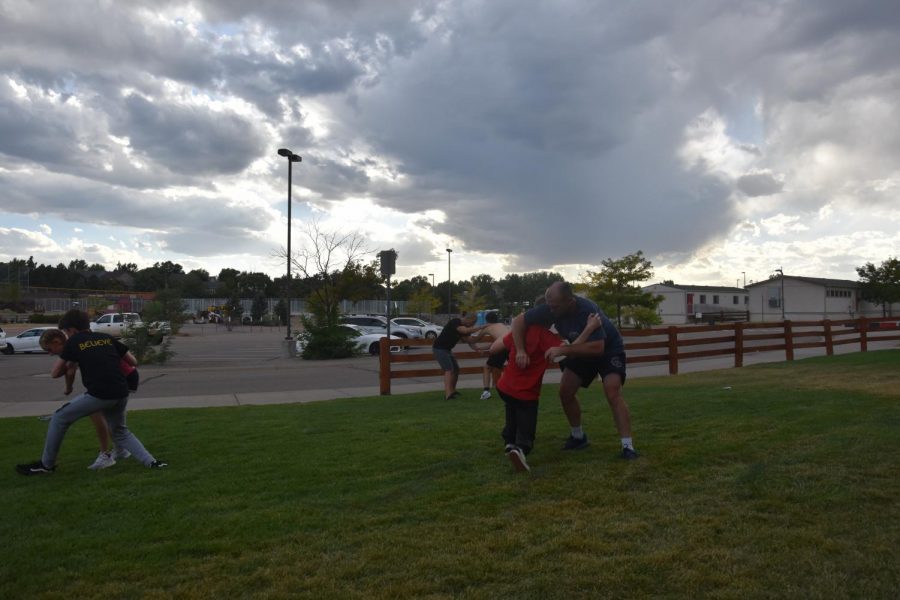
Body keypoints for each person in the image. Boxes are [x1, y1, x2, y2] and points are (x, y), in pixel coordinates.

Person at [16, 309, 166, 475]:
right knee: (120, 431)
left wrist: (70, 373)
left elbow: (55, 373)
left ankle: (46, 466)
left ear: (72, 330)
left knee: (59, 418)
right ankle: (152, 462)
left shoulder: (74, 342)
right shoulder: (106, 337)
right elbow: (133, 361)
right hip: (121, 390)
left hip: (100, 393)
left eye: (66, 332)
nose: (67, 335)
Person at [511, 281, 638, 459]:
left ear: (569, 301)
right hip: (580, 350)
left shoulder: (587, 310)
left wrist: (563, 350)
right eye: (549, 306)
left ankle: (628, 447)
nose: (551, 311)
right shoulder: (550, 307)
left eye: (555, 307)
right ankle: (578, 437)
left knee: (612, 391)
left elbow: (597, 347)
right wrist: (521, 350)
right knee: (565, 392)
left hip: (608, 350)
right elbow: (518, 322)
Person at [491, 307, 603, 472]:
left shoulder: (517, 333)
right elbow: (570, 351)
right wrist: (589, 328)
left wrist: (518, 349)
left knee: (512, 412)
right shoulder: (545, 337)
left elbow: (493, 349)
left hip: (505, 387)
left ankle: (509, 442)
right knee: (526, 426)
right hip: (526, 393)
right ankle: (520, 449)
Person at [39, 328, 140, 470]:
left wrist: (68, 388)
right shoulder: (77, 344)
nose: (50, 354)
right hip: (118, 379)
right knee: (108, 415)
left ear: (57, 342)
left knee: (97, 412)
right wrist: (69, 386)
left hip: (124, 377)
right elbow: (70, 369)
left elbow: (66, 370)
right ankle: (120, 450)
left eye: (49, 349)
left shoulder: (73, 346)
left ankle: (106, 454)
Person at [431, 313, 485, 400]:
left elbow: (469, 341)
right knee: (448, 370)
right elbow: (465, 331)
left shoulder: (464, 328)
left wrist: (477, 349)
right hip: (439, 349)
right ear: (469, 320)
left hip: (447, 350)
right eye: (472, 323)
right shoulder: (456, 322)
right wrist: (481, 327)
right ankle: (448, 394)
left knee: (456, 369)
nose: (471, 326)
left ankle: (452, 391)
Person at [472, 311, 510, 400]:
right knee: (513, 367)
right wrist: (482, 348)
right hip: (511, 344)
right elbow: (496, 343)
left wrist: (464, 336)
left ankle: (486, 392)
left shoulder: (487, 328)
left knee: (487, 367)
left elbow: (475, 339)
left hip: (503, 345)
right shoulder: (502, 325)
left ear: (486, 320)